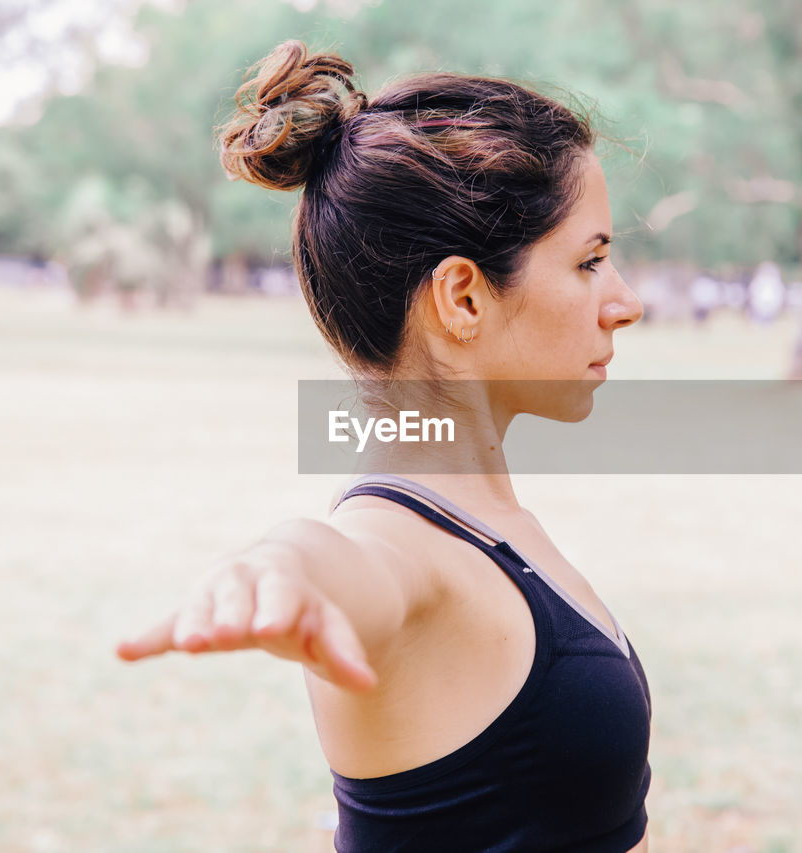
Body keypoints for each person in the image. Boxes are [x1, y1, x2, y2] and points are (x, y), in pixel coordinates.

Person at [115, 39, 650, 852]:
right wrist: (282, 565)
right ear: (463, 298)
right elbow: (350, 564)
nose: (626, 302)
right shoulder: (404, 540)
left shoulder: (484, 515)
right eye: (590, 261)